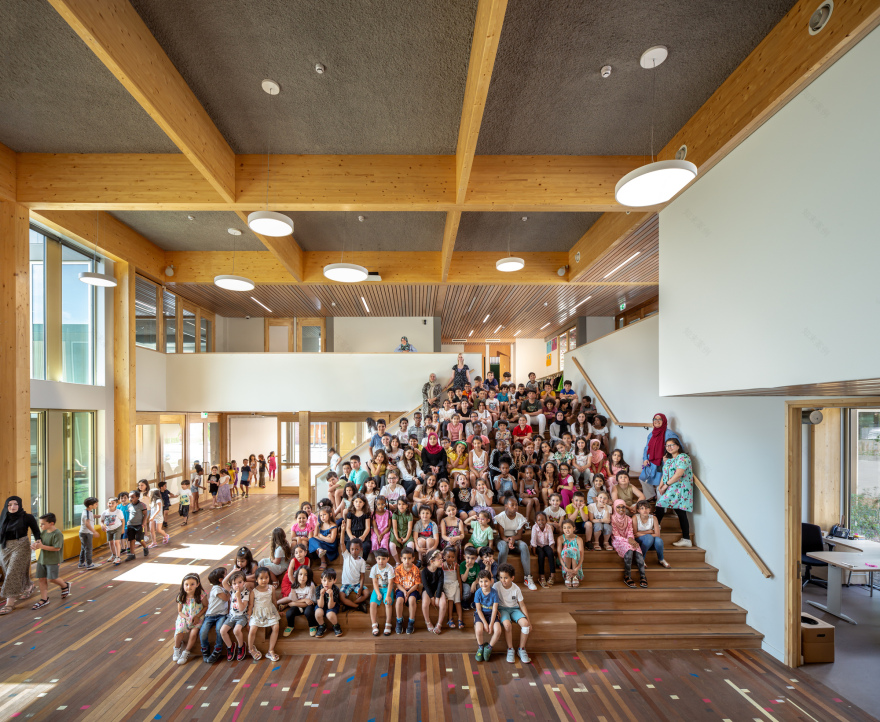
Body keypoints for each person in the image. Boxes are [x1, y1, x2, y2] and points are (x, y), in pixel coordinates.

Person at [655, 438, 694, 547]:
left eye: (672, 445)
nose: (669, 447)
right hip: (671, 487)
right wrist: (660, 485)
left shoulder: (683, 457)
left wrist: (666, 485)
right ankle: (686, 539)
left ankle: (656, 526)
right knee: (680, 512)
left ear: (678, 446)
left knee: (660, 504)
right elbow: (665, 473)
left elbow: (678, 474)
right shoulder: (669, 460)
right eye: (667, 446)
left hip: (680, 488)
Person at [494, 497, 538, 591]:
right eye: (512, 505)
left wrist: (513, 539)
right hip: (502, 539)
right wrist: (508, 540)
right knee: (504, 547)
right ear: (506, 506)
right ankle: (500, 577)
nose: (515, 507)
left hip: (515, 539)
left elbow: (519, 535)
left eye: (516, 505)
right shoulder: (501, 517)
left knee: (524, 546)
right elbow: (502, 536)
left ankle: (528, 577)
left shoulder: (520, 517)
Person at [30, 512, 70, 610]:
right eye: (40, 524)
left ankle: (65, 585)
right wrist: (35, 544)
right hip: (42, 559)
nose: (40, 526)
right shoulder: (43, 532)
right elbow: (40, 542)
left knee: (52, 578)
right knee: (41, 579)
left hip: (53, 560)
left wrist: (41, 546)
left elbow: (57, 548)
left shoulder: (57, 534)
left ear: (51, 523)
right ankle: (44, 599)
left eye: (43, 524)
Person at [494, 563, 531, 664]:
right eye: (501, 577)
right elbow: (493, 600)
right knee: (507, 625)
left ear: (512, 578)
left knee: (525, 624)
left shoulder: (516, 588)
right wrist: (496, 610)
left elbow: (522, 605)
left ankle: (521, 649)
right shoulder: (496, 586)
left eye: (506, 578)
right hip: (502, 609)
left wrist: (529, 621)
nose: (503, 580)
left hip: (514, 609)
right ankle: (510, 649)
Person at [641, 413, 681, 495]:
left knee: (660, 484)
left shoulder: (669, 434)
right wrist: (645, 458)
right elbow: (646, 448)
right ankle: (651, 497)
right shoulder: (651, 434)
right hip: (650, 462)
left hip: (662, 463)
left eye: (660, 419)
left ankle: (660, 504)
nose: (657, 421)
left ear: (664, 421)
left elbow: (678, 447)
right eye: (655, 419)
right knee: (643, 479)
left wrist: (669, 458)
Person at [611, 500, 647, 588]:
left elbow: (630, 531)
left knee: (638, 549)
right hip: (617, 540)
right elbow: (615, 535)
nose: (621, 509)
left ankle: (643, 576)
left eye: (623, 507)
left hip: (629, 539)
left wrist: (631, 539)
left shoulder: (628, 519)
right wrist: (629, 541)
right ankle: (627, 576)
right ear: (614, 508)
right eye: (618, 507)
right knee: (629, 550)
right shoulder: (612, 518)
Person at [247, 566, 281, 659]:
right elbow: (250, 605)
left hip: (269, 612)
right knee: (252, 629)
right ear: (256, 580)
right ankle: (251, 649)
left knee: (276, 627)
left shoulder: (271, 588)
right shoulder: (254, 591)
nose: (264, 580)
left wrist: (277, 611)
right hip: (257, 613)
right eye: (261, 578)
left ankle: (271, 650)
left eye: (266, 577)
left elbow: (274, 601)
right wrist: (249, 617)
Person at [173, 573, 206, 666]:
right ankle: (177, 648)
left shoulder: (201, 595)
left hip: (197, 617)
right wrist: (186, 617)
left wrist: (197, 616)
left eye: (192, 584)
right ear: (183, 585)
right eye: (186, 584)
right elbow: (179, 611)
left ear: (197, 584)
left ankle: (186, 652)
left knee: (194, 633)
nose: (189, 587)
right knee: (180, 631)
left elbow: (205, 606)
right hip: (184, 617)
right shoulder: (181, 596)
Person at [200, 567, 229, 663]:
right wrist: (230, 591)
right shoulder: (217, 588)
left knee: (219, 630)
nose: (228, 576)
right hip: (210, 615)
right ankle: (205, 649)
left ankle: (218, 649)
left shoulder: (223, 587)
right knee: (203, 632)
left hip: (221, 615)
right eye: (226, 574)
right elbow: (226, 598)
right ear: (221, 580)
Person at [220, 571, 251, 661]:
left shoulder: (245, 593)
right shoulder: (232, 590)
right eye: (234, 583)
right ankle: (230, 647)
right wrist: (233, 571)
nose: (237, 585)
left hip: (242, 617)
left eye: (240, 582)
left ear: (244, 582)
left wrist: (238, 597)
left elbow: (241, 608)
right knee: (222, 631)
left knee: (236, 630)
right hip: (231, 616)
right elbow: (224, 583)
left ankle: (241, 646)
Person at [279, 565, 318, 638]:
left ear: (309, 576)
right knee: (289, 613)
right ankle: (290, 626)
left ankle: (312, 625)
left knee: (308, 612)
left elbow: (308, 603)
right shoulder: (294, 586)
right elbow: (294, 600)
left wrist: (295, 603)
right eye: (300, 574)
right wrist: (304, 600)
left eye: (305, 575)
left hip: (310, 605)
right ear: (297, 575)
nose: (302, 577)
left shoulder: (311, 585)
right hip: (299, 604)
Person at [473, 569, 502, 662]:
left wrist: (491, 623)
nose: (483, 583)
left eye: (486, 581)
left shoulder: (494, 593)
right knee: (478, 630)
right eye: (481, 581)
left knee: (498, 630)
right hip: (481, 614)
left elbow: (494, 610)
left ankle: (489, 647)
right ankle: (481, 647)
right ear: (478, 582)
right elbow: (478, 610)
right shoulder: (478, 593)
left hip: (491, 614)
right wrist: (485, 624)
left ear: (491, 581)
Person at [394, 547, 421, 635]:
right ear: (401, 558)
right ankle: (399, 620)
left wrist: (408, 592)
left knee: (412, 600)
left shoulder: (416, 569)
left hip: (412, 589)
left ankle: (411, 621)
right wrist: (404, 592)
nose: (407, 561)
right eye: (404, 558)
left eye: (409, 558)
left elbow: (416, 584)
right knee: (399, 601)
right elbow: (397, 584)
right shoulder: (398, 569)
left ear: (413, 558)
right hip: (401, 589)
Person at [634, 500, 670, 567]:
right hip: (640, 542)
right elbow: (635, 534)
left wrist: (642, 533)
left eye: (647, 508)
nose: (645, 510)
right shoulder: (635, 517)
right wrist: (650, 531)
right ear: (638, 510)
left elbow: (657, 535)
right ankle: (641, 558)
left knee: (658, 540)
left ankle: (661, 559)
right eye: (642, 508)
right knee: (649, 537)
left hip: (650, 542)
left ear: (650, 509)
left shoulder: (653, 518)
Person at [369, 548, 395, 637]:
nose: (381, 561)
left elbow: (391, 583)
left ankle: (388, 623)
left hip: (387, 588)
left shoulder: (390, 568)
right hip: (378, 589)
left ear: (388, 559)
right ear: (376, 559)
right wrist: (378, 593)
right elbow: (374, 582)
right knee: (372, 604)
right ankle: (374, 624)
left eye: (384, 559)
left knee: (388, 603)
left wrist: (387, 595)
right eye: (379, 558)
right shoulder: (374, 568)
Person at [339, 538, 370, 613]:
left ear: (361, 549)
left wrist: (361, 588)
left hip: (357, 584)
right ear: (349, 549)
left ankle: (350, 604)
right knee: (341, 596)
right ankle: (357, 606)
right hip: (346, 584)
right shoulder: (347, 556)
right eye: (352, 549)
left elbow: (362, 576)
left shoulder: (362, 561)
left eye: (357, 549)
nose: (354, 551)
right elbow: (342, 543)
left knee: (367, 593)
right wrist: (342, 531)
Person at [421, 549, 447, 634]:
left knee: (443, 603)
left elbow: (440, 584)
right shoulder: (424, 572)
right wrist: (432, 597)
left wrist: (437, 597)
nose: (441, 561)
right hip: (428, 590)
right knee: (425, 603)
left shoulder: (440, 571)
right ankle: (427, 621)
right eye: (439, 559)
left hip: (438, 590)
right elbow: (426, 585)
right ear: (432, 561)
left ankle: (439, 624)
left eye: (441, 559)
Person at [530, 512, 556, 588]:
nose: (541, 522)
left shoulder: (549, 527)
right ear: (536, 521)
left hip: (546, 545)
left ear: (546, 520)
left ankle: (552, 575)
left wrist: (551, 551)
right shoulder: (534, 527)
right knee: (540, 555)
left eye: (543, 520)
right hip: (537, 546)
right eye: (539, 520)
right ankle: (542, 576)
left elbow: (551, 540)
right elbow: (533, 541)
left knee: (550, 553)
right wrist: (534, 552)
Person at [557, 519, 584, 588]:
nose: (567, 530)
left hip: (576, 561)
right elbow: (559, 555)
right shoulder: (560, 539)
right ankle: (568, 575)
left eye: (569, 527)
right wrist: (565, 567)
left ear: (573, 528)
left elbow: (581, 555)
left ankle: (575, 575)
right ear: (562, 529)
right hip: (564, 561)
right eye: (564, 528)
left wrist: (577, 568)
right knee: (567, 550)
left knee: (574, 550)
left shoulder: (579, 539)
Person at [124, 491, 150, 561]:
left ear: (137, 497)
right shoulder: (129, 505)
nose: (130, 498)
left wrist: (144, 523)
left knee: (140, 539)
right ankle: (132, 554)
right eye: (129, 497)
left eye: (132, 497)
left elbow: (145, 515)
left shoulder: (142, 505)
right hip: (130, 525)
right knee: (131, 539)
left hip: (139, 525)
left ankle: (145, 547)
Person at [100, 496, 125, 565]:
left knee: (116, 542)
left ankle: (118, 557)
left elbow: (123, 520)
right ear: (107, 504)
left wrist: (123, 529)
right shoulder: (105, 512)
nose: (111, 505)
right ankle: (113, 555)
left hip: (117, 528)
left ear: (116, 504)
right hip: (109, 529)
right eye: (109, 503)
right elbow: (102, 521)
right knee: (111, 543)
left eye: (113, 503)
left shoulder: (118, 512)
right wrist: (102, 525)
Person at [390, 497, 414, 562]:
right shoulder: (395, 514)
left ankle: (408, 562)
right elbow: (394, 527)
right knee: (391, 545)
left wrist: (406, 538)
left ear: (407, 505)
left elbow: (409, 528)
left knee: (411, 545)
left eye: (403, 504)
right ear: (397, 505)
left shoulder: (409, 515)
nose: (401, 506)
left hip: (406, 532)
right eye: (399, 504)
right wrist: (397, 538)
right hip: (396, 533)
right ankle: (397, 561)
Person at [78, 496, 100, 568]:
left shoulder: (88, 512)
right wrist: (94, 532)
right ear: (91, 505)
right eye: (96, 504)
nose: (97, 505)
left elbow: (91, 516)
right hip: (86, 533)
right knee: (88, 548)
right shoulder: (86, 513)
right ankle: (89, 564)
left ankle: (81, 563)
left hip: (83, 533)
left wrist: (97, 516)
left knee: (84, 548)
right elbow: (87, 524)